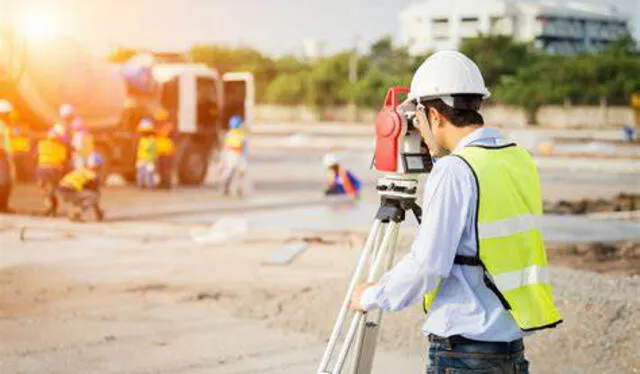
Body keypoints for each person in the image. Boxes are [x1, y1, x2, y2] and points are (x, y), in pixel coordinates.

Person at [349, 51, 562, 374]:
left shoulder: (455, 171)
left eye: (418, 119)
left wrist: (372, 297)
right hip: (509, 348)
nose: (417, 129)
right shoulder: (517, 158)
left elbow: (428, 265)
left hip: (464, 352)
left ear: (434, 115)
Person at [57, 152, 104, 222]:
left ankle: (74, 214)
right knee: (94, 196)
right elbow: (95, 195)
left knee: (82, 196)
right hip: (69, 190)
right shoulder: (92, 175)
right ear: (97, 165)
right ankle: (76, 213)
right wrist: (99, 213)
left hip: (62, 190)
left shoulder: (81, 169)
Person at [36, 126, 70, 216]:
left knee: (45, 189)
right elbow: (64, 161)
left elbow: (35, 155)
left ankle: (51, 207)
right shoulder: (61, 147)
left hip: (46, 168)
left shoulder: (42, 144)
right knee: (49, 189)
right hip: (51, 169)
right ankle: (51, 206)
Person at [219, 115, 249, 196]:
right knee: (236, 172)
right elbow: (244, 145)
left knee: (237, 172)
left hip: (234, 154)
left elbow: (226, 146)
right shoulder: (237, 134)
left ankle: (235, 188)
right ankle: (232, 187)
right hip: (235, 155)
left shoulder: (231, 134)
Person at [8, 110, 33, 182]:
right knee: (17, 166)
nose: (13, 120)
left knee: (24, 166)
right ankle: (20, 180)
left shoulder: (23, 126)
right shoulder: (10, 127)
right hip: (15, 150)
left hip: (22, 150)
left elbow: (26, 135)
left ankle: (25, 179)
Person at [154, 109, 176, 190]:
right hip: (161, 151)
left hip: (167, 151)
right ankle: (162, 183)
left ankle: (167, 184)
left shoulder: (168, 126)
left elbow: (163, 134)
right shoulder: (161, 126)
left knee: (166, 169)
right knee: (161, 168)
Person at [0, 100, 15, 213]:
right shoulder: (1, 125)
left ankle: (3, 206)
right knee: (5, 183)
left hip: (4, 155)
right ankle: (2, 206)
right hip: (1, 155)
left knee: (6, 182)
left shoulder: (4, 125)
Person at [136, 118, 158, 189]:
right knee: (145, 173)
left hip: (146, 159)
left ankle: (146, 185)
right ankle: (146, 185)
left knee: (146, 173)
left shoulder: (146, 140)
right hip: (146, 159)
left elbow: (150, 149)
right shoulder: (150, 140)